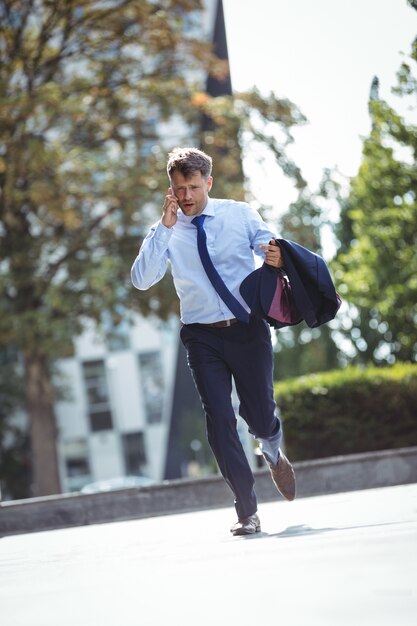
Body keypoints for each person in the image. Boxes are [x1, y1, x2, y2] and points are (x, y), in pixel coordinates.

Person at [131, 147, 296, 536]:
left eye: (192, 186)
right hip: (201, 336)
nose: (186, 196)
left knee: (258, 413)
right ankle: (247, 511)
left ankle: (271, 449)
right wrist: (165, 228)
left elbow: (266, 242)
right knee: (219, 419)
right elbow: (142, 278)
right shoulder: (165, 230)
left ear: (208, 182)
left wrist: (273, 254)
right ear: (169, 189)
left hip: (247, 327)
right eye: (178, 188)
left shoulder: (237, 213)